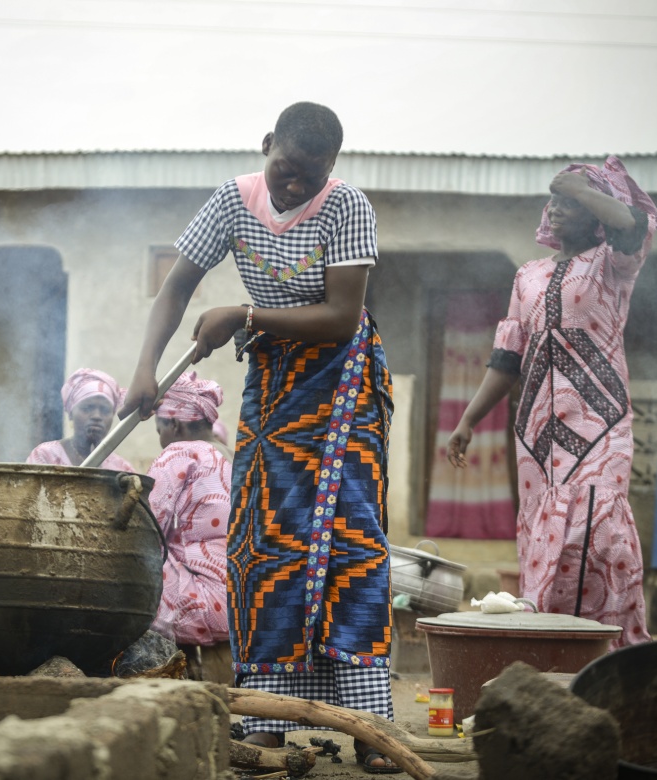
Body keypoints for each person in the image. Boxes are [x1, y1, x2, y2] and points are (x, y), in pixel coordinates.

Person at [122, 102, 399, 772]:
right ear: (266, 144)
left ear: (330, 169)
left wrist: (245, 313)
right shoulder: (231, 201)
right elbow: (178, 285)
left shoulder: (347, 207)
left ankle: (368, 725)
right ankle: (270, 717)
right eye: (284, 168)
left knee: (348, 539)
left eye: (309, 175)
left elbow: (338, 317)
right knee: (262, 538)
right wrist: (144, 370)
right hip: (274, 383)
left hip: (342, 387)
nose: (293, 186)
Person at [447, 156, 657, 649]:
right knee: (550, 541)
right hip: (538, 432)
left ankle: (613, 645)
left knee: (596, 528)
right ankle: (553, 646)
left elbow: (633, 224)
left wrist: (580, 186)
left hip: (601, 422)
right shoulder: (527, 275)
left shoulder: (613, 263)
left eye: (570, 202)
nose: (557, 208)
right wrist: (468, 421)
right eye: (554, 200)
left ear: (594, 214)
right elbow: (506, 359)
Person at [147, 371, 233, 685]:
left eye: (160, 429)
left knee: (133, 566)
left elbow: (149, 524)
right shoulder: (232, 455)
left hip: (197, 605)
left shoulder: (179, 453)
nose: (160, 439)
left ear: (175, 424)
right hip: (237, 600)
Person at [27, 368, 136, 471]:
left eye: (105, 410)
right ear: (70, 413)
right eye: (87, 408)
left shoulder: (121, 468)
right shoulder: (45, 456)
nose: (96, 416)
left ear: (112, 415)